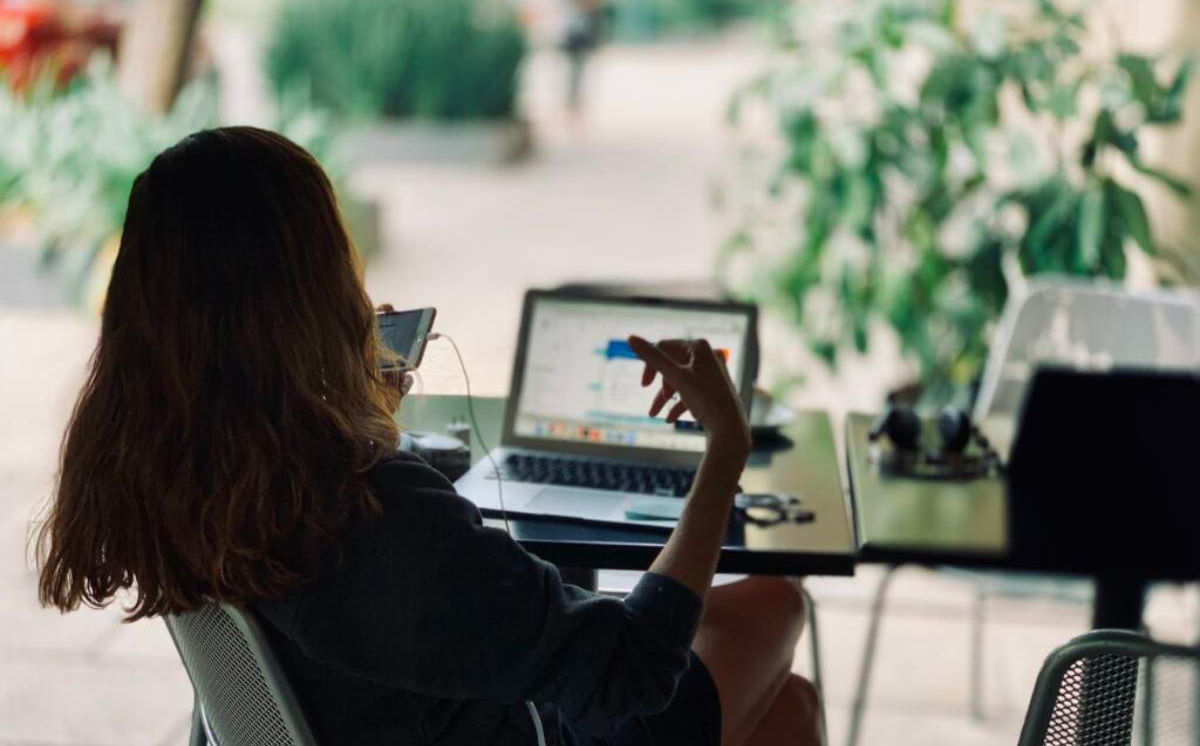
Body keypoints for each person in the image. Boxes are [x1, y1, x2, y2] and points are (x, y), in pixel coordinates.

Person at [34, 127, 821, 746]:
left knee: (789, 708)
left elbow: (387, 612)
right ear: (312, 288)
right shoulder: (368, 511)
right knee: (777, 605)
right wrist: (724, 449)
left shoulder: (164, 466)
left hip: (381, 719)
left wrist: (356, 418)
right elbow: (628, 673)